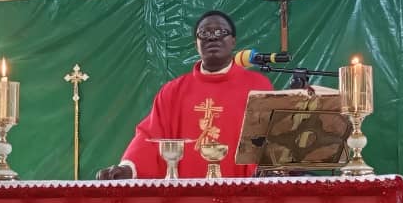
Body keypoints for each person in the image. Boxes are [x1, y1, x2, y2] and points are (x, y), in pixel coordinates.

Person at [96, 10, 273, 180]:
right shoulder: (173, 92)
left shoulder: (257, 86)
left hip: (245, 197)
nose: (212, 37)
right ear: (196, 43)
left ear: (233, 41)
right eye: (204, 33)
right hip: (187, 200)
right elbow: (150, 135)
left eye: (220, 31)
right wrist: (129, 168)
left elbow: (273, 137)